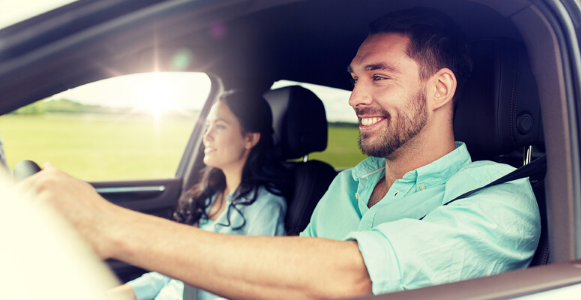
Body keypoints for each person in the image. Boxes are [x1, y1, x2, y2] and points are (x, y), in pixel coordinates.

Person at [19, 7, 540, 299]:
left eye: (379, 76)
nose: (356, 97)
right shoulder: (347, 184)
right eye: (355, 78)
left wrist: (109, 226)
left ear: (441, 88)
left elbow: (353, 277)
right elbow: (289, 280)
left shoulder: (499, 197)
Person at [107, 92, 289, 300]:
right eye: (208, 125)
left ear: (249, 138)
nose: (207, 135)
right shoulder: (210, 195)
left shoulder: (265, 205)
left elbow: (263, 288)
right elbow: (173, 270)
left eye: (220, 126)